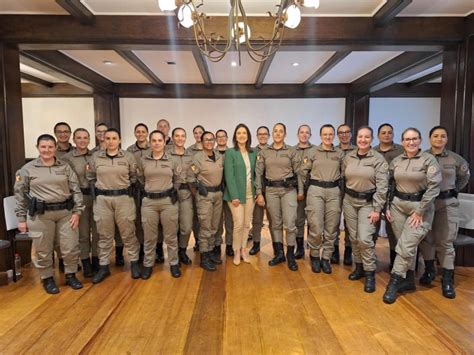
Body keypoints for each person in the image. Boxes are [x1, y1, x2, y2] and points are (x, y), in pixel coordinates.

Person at [14, 134, 84, 294]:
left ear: (56, 148)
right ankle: (47, 278)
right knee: (43, 249)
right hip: (40, 215)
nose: (47, 150)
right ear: (38, 147)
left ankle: (71, 275)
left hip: (65, 214)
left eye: (50, 147)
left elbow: (76, 190)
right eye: (43, 147)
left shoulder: (65, 167)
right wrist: (21, 219)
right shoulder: (27, 169)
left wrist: (77, 212)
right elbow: (19, 194)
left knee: (70, 246)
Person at [383, 127, 441, 304]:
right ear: (402, 142)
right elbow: (390, 184)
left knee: (407, 245)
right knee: (403, 244)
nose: (411, 142)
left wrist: (420, 211)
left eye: (414, 138)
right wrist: (387, 206)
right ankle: (408, 281)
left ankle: (394, 281)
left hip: (420, 208)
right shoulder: (397, 161)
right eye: (407, 139)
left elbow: (434, 188)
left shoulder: (428, 160)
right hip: (398, 206)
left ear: (420, 140)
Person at [418, 126, 470, 298]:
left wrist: (453, 190)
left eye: (443, 136)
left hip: (447, 203)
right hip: (427, 203)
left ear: (446, 139)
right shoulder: (422, 157)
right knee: (427, 239)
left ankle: (447, 280)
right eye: (435, 136)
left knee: (445, 242)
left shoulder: (456, 159)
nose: (439, 139)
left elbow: (464, 177)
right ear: (429, 138)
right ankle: (429, 271)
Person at [87, 128, 142, 283]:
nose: (111, 141)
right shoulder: (95, 157)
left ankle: (134, 263)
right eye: (108, 138)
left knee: (128, 233)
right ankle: (104, 267)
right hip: (103, 199)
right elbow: (90, 176)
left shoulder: (128, 157)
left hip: (123, 198)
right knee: (104, 236)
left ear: (119, 140)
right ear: (103, 140)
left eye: (114, 138)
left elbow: (133, 176)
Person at [342, 126, 388, 293]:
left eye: (366, 137)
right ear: (356, 138)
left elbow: (382, 187)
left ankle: (370, 273)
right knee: (353, 237)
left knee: (365, 239)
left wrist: (377, 209)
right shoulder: (349, 157)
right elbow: (343, 179)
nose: (363, 140)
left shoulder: (378, 159)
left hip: (368, 204)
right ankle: (359, 267)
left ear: (372, 139)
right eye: (360, 136)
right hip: (349, 201)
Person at [255, 123, 301, 271]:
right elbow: (258, 174)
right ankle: (279, 253)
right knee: (275, 223)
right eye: (276, 131)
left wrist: (300, 191)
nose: (278, 133)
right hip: (271, 191)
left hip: (288, 191)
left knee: (290, 224)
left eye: (281, 131)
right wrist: (259, 193)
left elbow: (299, 172)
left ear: (285, 134)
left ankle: (290, 255)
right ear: (272, 134)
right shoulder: (264, 152)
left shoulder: (292, 151)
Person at [299, 124, 344, 274]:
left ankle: (326, 258)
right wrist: (305, 191)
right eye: (325, 134)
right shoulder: (312, 152)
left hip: (333, 191)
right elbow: (303, 173)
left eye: (331, 134)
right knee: (316, 226)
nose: (328, 137)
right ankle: (315, 256)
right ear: (320, 136)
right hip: (315, 191)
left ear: (334, 136)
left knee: (331, 228)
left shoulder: (339, 153)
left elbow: (344, 173)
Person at [137, 130, 181, 279]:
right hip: (149, 202)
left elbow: (177, 179)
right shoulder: (143, 160)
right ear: (149, 142)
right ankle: (148, 264)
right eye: (154, 140)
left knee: (171, 236)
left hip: (168, 202)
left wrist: (168, 191)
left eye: (159, 140)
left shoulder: (172, 160)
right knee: (149, 237)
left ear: (164, 142)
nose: (156, 143)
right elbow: (141, 180)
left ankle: (174, 264)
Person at [62, 128, 98, 277]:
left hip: (97, 197)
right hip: (80, 198)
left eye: (85, 138)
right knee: (83, 233)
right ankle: (85, 262)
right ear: (74, 140)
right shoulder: (67, 158)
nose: (82, 140)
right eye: (79, 138)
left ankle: (97, 260)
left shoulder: (97, 155)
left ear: (89, 140)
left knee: (98, 232)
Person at [188, 131, 225, 271]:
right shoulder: (198, 158)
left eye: (211, 139)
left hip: (218, 195)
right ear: (202, 142)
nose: (209, 142)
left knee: (215, 227)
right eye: (206, 140)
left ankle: (210, 253)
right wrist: (198, 192)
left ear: (214, 141)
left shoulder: (220, 156)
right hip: (205, 196)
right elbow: (190, 178)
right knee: (205, 227)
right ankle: (204, 257)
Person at [224, 124, 257, 265]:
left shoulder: (253, 152)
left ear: (248, 136)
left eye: (244, 133)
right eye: (239, 133)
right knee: (238, 224)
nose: (242, 135)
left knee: (246, 224)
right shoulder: (230, 152)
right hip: (235, 196)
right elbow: (229, 176)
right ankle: (236, 251)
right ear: (235, 136)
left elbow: (256, 173)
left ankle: (244, 249)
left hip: (250, 194)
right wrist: (234, 196)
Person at [374, 123, 404, 267]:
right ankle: (369, 259)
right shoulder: (372, 151)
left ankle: (394, 263)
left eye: (389, 132)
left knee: (393, 230)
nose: (386, 135)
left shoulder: (402, 150)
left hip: (394, 195)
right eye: (383, 132)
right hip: (375, 194)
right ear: (378, 135)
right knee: (372, 227)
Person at [168, 127, 194, 265]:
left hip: (186, 193)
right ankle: (174, 256)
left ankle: (182, 251)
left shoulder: (191, 155)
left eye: (182, 136)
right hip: (170, 194)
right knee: (172, 227)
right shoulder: (166, 154)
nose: (180, 138)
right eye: (177, 136)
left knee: (186, 226)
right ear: (172, 138)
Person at [126, 123, 151, 262]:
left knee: (152, 221)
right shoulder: (129, 151)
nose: (140, 134)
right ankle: (141, 247)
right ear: (135, 133)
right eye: (138, 132)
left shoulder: (153, 148)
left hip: (151, 189)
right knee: (138, 220)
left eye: (143, 131)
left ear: (147, 133)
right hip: (136, 189)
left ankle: (157, 248)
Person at [249, 126, 274, 255]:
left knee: (274, 221)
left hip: (272, 190)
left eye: (265, 134)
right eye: (260, 134)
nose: (263, 136)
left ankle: (277, 246)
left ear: (269, 136)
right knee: (257, 220)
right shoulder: (252, 152)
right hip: (257, 191)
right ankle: (256, 244)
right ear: (257, 136)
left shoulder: (273, 150)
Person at [332, 123, 355, 265]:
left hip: (351, 191)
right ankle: (334, 250)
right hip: (335, 190)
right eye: (340, 132)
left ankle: (348, 250)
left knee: (349, 223)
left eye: (347, 132)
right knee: (333, 221)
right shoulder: (333, 151)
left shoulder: (357, 150)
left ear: (351, 134)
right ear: (337, 135)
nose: (344, 135)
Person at [294, 124, 313, 259]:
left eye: (307, 132)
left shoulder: (316, 150)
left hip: (313, 190)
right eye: (302, 132)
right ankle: (299, 247)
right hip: (297, 191)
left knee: (313, 220)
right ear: (298, 134)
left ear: (310, 135)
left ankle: (313, 247)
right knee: (299, 220)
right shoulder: (292, 151)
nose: (304, 135)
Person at [215, 129, 234, 257]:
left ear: (227, 138)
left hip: (229, 191)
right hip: (215, 191)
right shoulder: (210, 153)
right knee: (216, 220)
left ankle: (229, 245)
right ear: (216, 139)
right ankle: (216, 245)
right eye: (219, 137)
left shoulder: (232, 153)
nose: (221, 139)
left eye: (224, 136)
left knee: (230, 220)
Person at [186, 124, 205, 251]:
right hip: (193, 188)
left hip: (207, 188)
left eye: (200, 133)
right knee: (195, 217)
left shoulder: (209, 148)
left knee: (206, 217)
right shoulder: (189, 151)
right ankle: (198, 240)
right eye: (196, 133)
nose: (198, 135)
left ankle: (208, 241)